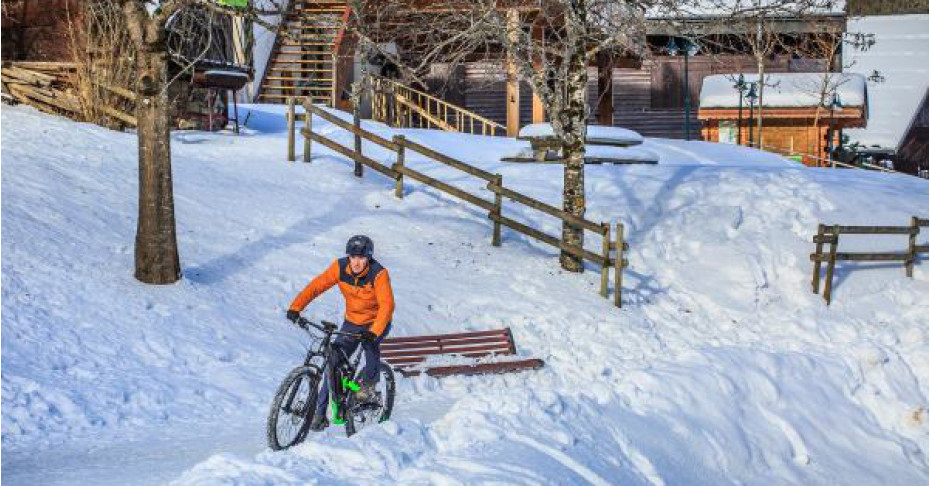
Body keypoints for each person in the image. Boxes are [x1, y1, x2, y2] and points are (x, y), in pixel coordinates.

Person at [286, 235, 395, 431]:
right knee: (333, 360)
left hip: (376, 322)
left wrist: (374, 331)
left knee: (370, 346)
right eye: (353, 257)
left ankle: (367, 386)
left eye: (361, 258)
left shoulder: (379, 274)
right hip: (352, 322)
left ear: (368, 258)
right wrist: (296, 307)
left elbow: (387, 306)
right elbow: (316, 286)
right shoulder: (340, 267)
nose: (356, 262)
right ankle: (319, 415)